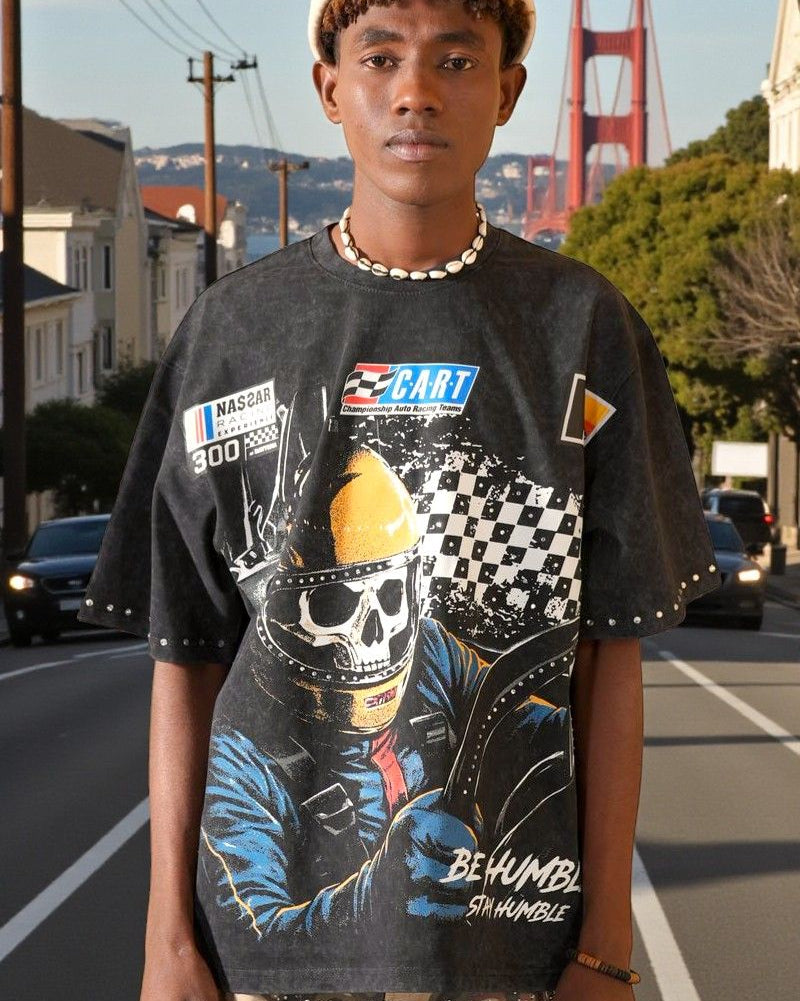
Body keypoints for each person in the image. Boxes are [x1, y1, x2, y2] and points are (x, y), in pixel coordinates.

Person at [78, 1, 722, 1000]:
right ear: (330, 88)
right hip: (266, 964)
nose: (415, 90)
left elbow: (607, 657)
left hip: (513, 956)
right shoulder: (230, 334)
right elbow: (187, 658)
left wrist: (602, 945)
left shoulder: (582, 327)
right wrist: (168, 942)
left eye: (455, 59)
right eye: (379, 57)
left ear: (506, 91)